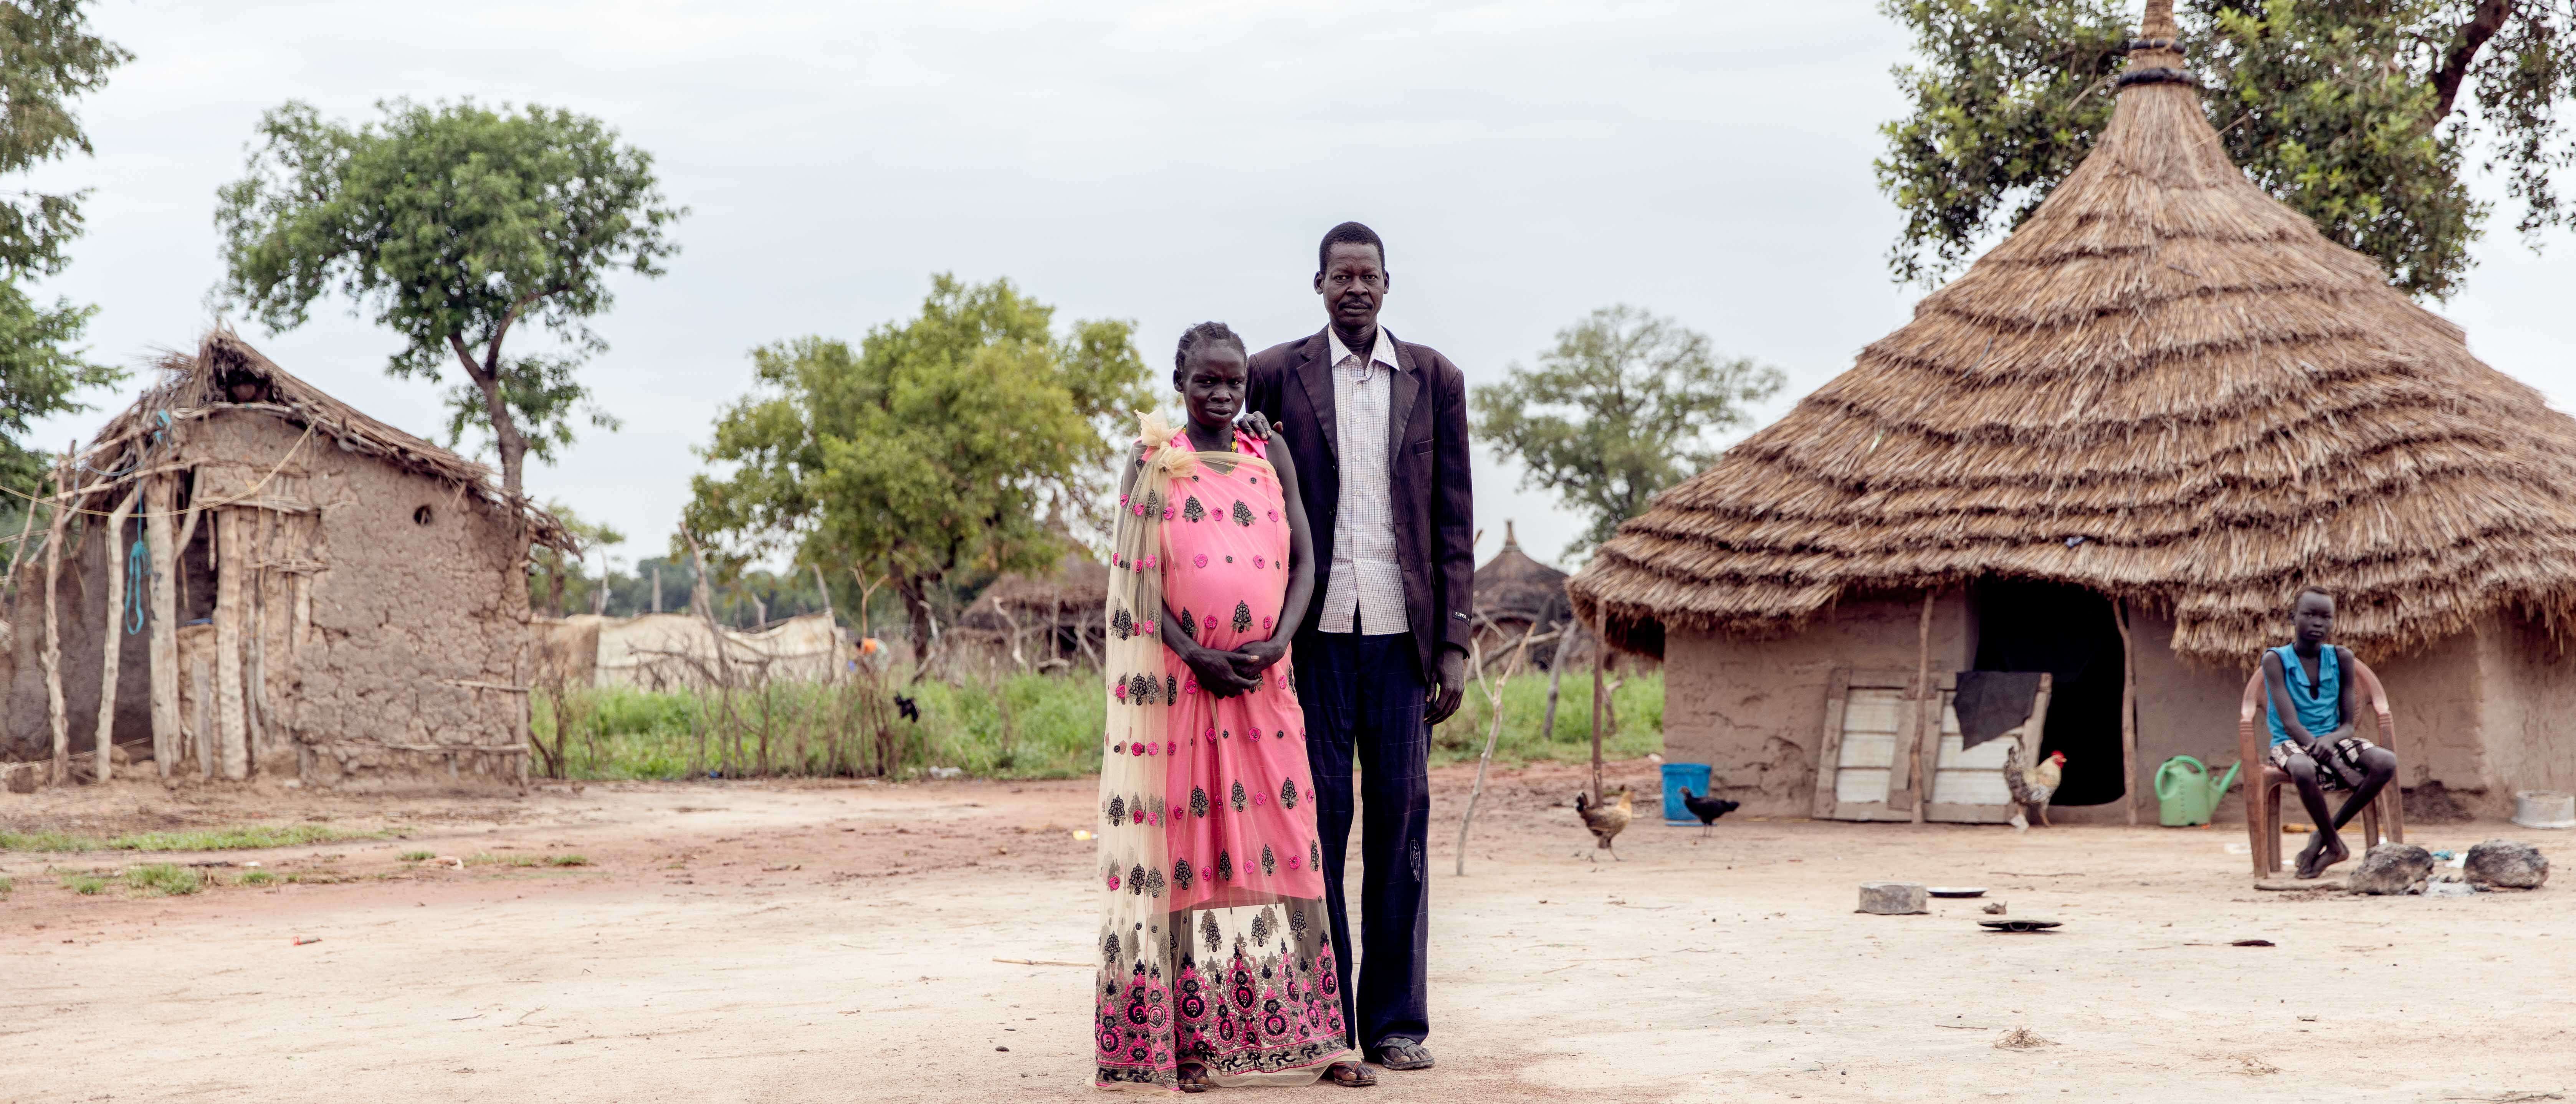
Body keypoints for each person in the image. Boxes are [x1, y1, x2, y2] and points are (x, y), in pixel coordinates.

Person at [1091, 322, 1365, 1093]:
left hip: (1264, 689)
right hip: (1183, 694)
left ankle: (1319, 1037)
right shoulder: (1152, 462)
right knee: (1187, 865)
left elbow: (1309, 559)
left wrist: (1278, 641)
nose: (1220, 393)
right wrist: (1196, 655)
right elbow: (1136, 582)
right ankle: (1191, 1048)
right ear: (1178, 380)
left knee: (1291, 848)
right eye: (1205, 381)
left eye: (1232, 382)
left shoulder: (1265, 453)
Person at [1244, 221, 1473, 1076]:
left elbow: (1454, 520)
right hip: (1309, 640)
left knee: (1400, 831)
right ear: (1317, 285)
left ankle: (1395, 1022)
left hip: (1401, 642)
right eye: (1339, 275)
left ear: (1387, 283)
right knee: (1317, 829)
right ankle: (1322, 1019)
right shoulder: (1275, 374)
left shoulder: (1435, 379)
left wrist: (1452, 644)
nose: (1354, 287)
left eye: (1366, 275)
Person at [2260, 586, 2400, 879]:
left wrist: (2330, 741)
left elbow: (2348, 725)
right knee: (2301, 767)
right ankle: (2335, 844)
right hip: (2290, 742)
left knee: (2386, 762)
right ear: (2292, 618)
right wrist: (2332, 760)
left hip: (2335, 737)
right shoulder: (2275, 660)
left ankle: (2323, 837)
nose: (2318, 623)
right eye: (2309, 615)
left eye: (2326, 617)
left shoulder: (2342, 658)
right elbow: (2290, 723)